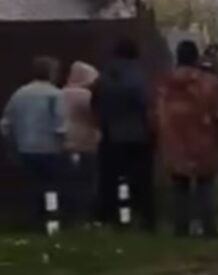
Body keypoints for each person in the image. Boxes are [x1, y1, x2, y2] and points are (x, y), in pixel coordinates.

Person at [156, 40, 218, 238]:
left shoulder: (165, 84)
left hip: (174, 142)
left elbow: (156, 113)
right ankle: (208, 227)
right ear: (196, 57)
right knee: (205, 185)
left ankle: (181, 229)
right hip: (203, 139)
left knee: (179, 187)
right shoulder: (210, 83)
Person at [92, 39, 157, 231]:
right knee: (141, 181)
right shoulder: (139, 76)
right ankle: (145, 219)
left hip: (110, 133)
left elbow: (94, 103)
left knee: (109, 180)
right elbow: (146, 103)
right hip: (137, 134)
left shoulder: (103, 76)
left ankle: (110, 218)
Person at [1, 56, 67, 230]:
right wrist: (63, 144)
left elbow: (6, 123)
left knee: (32, 186)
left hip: (26, 148)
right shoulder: (55, 94)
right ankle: (52, 221)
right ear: (51, 72)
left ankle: (32, 220)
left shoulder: (20, 94)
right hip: (50, 148)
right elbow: (60, 124)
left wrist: (11, 144)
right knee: (51, 186)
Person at [62, 61, 101, 226]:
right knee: (87, 182)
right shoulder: (87, 96)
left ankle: (67, 215)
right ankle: (85, 217)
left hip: (65, 142)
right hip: (86, 142)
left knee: (68, 182)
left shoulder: (60, 93)